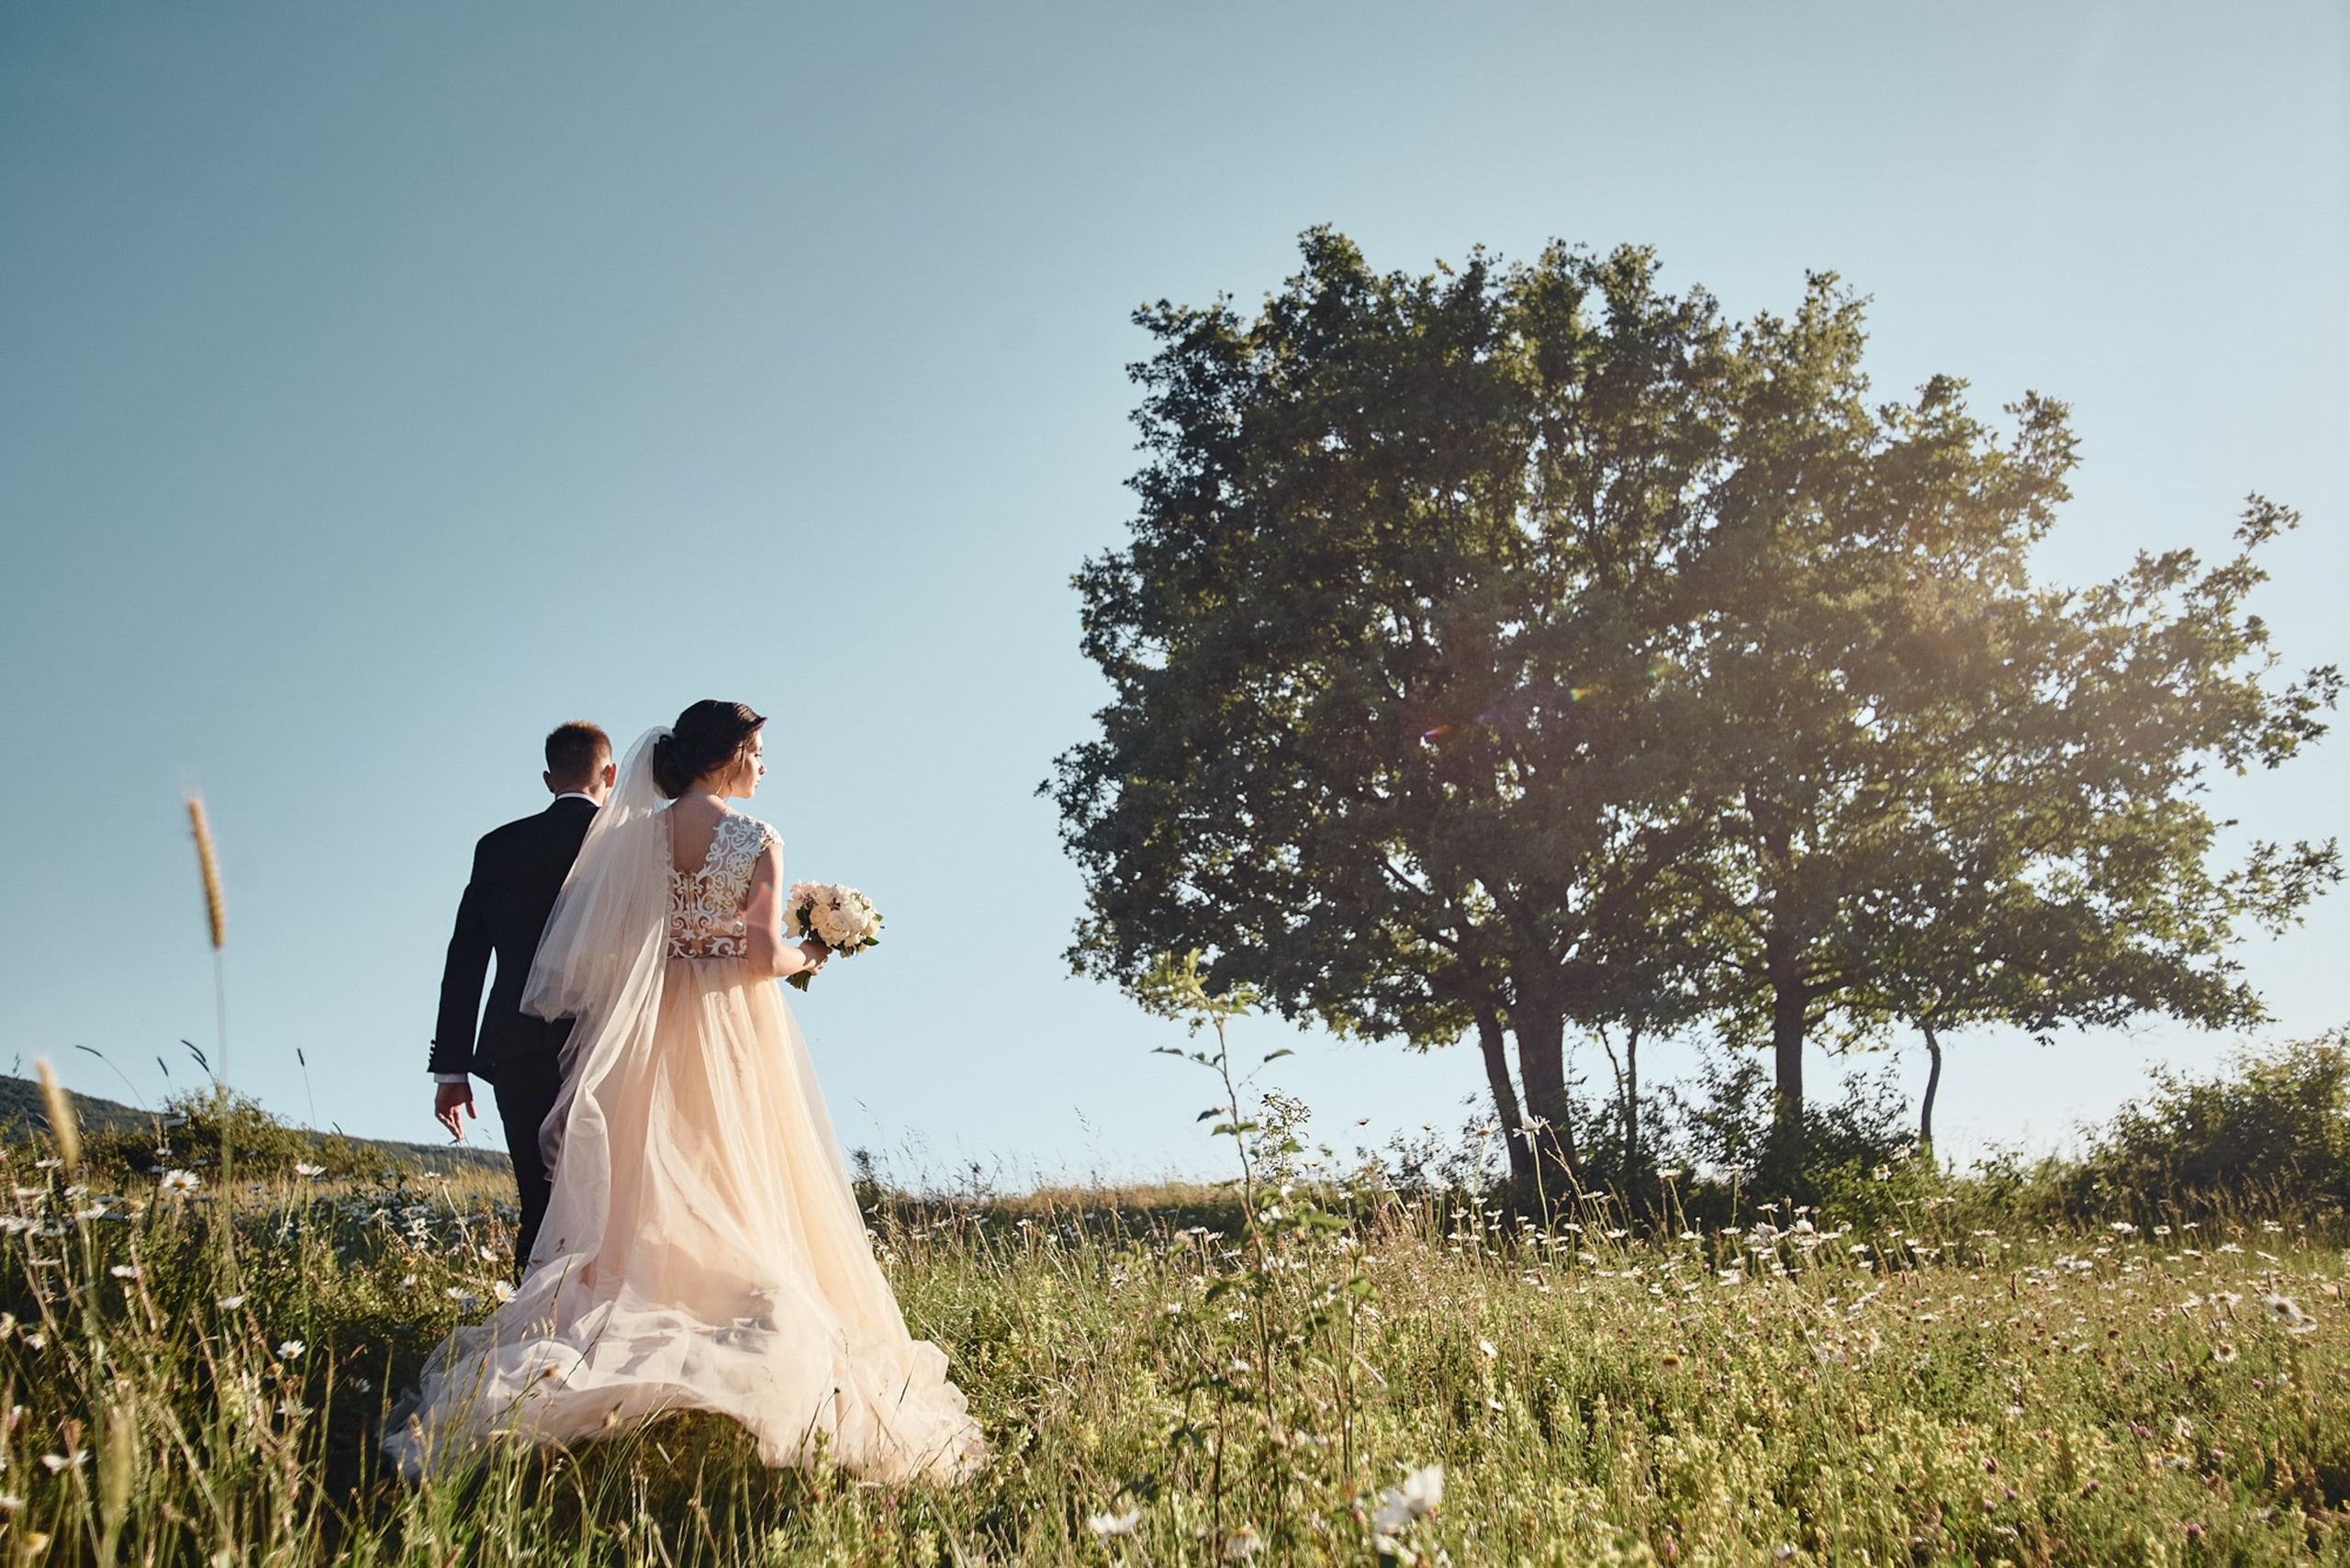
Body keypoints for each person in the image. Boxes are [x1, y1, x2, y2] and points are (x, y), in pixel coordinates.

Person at [388, 701, 985, 1484]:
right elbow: (765, 952)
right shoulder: (755, 837)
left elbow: (599, 940)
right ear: (731, 755)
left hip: (646, 1027)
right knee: (742, 1172)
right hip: (728, 1023)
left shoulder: (630, 835)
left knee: (643, 1184)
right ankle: (742, 1330)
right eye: (759, 750)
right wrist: (813, 948)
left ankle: (618, 1326)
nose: (764, 765)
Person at [429, 721, 614, 1269]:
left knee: (538, 1198)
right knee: (614, 1196)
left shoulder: (498, 846)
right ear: (611, 772)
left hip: (518, 1049)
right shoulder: (629, 844)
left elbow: (465, 961)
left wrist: (452, 1070)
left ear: (547, 778)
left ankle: (531, 1333)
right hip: (607, 1040)